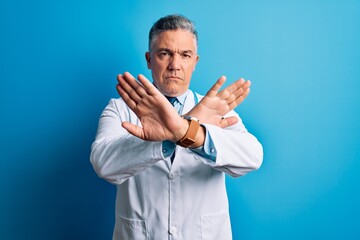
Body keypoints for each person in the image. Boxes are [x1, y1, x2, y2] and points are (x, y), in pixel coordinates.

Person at [90, 14, 263, 240]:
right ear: (149, 59)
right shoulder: (119, 109)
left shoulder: (216, 108)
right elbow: (104, 163)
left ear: (195, 62)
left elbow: (252, 156)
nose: (175, 65)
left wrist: (188, 132)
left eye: (185, 55)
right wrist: (171, 138)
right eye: (165, 54)